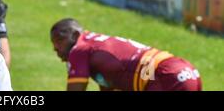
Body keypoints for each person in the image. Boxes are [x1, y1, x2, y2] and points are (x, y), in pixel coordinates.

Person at [50, 18, 202, 91]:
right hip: (185, 71)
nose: (55, 48)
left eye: (58, 41)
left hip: (165, 77)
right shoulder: (94, 46)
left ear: (76, 35)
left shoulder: (79, 49)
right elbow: (108, 83)